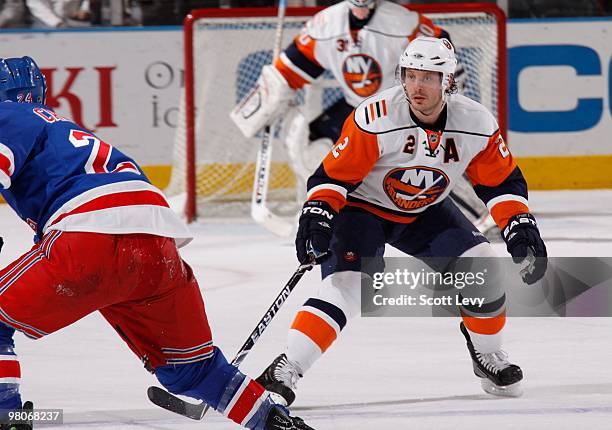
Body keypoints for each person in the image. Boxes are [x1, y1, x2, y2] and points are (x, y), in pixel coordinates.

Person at [0, 56, 314, 430]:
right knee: (193, 371)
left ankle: (8, 417)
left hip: (88, 237)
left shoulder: (6, 116)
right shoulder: (60, 126)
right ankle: (274, 421)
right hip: (156, 244)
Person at [254, 37, 548, 406]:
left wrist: (519, 224)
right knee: (348, 285)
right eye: (410, 75)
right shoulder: (375, 117)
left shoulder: (475, 122)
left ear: (448, 82)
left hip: (424, 210)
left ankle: (487, 353)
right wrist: (318, 214)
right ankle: (286, 368)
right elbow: (333, 177)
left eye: (428, 77)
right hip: (362, 209)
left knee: (482, 264)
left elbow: (500, 182)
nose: (417, 86)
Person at [230, 0, 453, 182]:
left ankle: (455, 207)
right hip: (355, 108)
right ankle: (336, 206)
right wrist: (268, 98)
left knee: (429, 160)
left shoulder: (403, 23)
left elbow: (443, 55)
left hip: (399, 112)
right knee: (312, 147)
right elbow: (289, 71)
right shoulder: (326, 25)